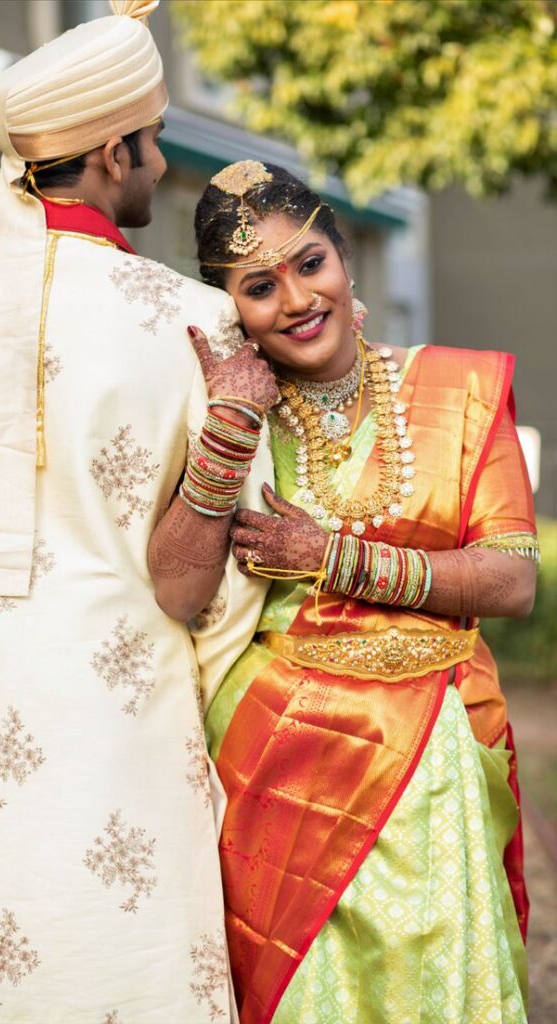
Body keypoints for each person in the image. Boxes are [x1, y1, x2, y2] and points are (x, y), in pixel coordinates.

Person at [0, 6, 274, 1021]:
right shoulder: (196, 319)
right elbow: (235, 580)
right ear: (111, 154)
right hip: (133, 753)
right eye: (153, 142)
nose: (160, 163)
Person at [148, 161, 539, 1024]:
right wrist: (229, 426)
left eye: (310, 262)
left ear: (347, 252)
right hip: (278, 755)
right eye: (259, 286)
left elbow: (512, 579)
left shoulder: (461, 390)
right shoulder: (224, 409)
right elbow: (176, 588)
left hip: (433, 748)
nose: (295, 300)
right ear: (232, 309)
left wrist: (333, 557)